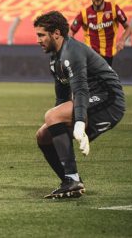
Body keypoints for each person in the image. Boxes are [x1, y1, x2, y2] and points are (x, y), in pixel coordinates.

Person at [33, 11, 125, 199]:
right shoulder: (55, 59)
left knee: (52, 116)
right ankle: (70, 182)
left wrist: (79, 123)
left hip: (109, 100)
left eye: (41, 35)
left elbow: (81, 91)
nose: (38, 40)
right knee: (43, 135)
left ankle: (72, 178)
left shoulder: (72, 52)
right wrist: (58, 120)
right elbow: (62, 99)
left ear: (56, 33)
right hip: (91, 100)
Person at [70, 0, 132, 66]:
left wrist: (122, 40)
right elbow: (71, 31)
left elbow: (128, 27)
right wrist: (72, 47)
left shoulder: (114, 9)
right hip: (90, 54)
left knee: (104, 78)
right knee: (92, 77)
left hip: (108, 54)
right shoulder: (84, 13)